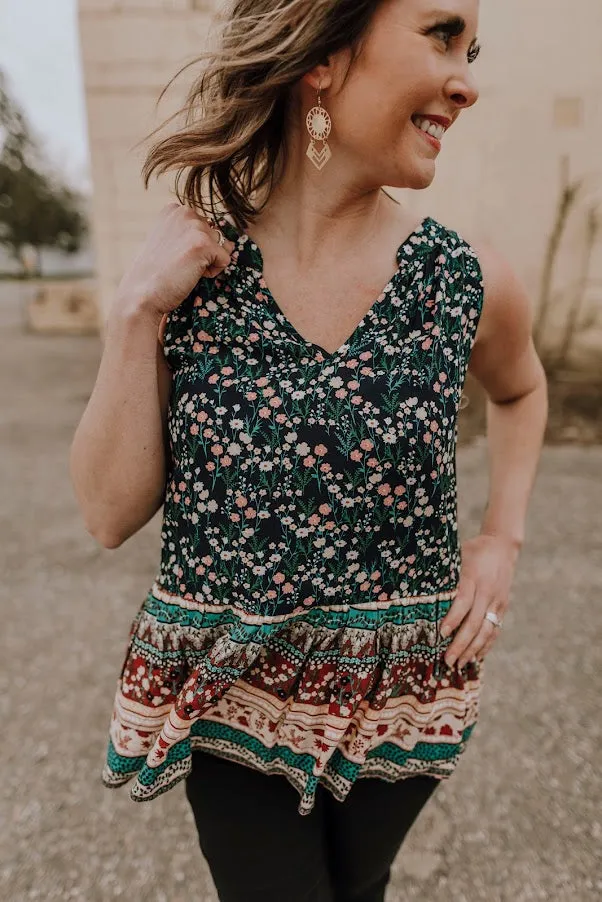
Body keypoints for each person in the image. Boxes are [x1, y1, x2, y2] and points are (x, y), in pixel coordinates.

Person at [70, 0, 549, 899]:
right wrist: (136, 313)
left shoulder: (465, 278)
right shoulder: (194, 273)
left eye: (473, 49)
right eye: (442, 35)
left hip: (405, 695)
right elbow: (105, 514)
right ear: (323, 58)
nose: (469, 82)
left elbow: (521, 390)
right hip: (231, 695)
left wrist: (501, 538)